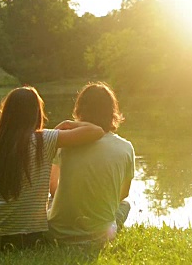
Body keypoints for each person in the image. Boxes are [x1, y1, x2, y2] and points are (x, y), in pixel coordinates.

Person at [0, 86, 104, 250]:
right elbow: (96, 131)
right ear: (36, 113)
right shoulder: (44, 140)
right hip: (26, 238)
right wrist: (68, 123)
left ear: (7, 114)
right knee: (54, 201)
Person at [47, 82, 135, 243]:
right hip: (99, 235)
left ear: (80, 110)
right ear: (112, 112)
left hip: (58, 232)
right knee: (125, 205)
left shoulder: (66, 142)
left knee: (51, 201)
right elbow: (123, 194)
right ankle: (103, 227)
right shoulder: (126, 148)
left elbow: (53, 188)